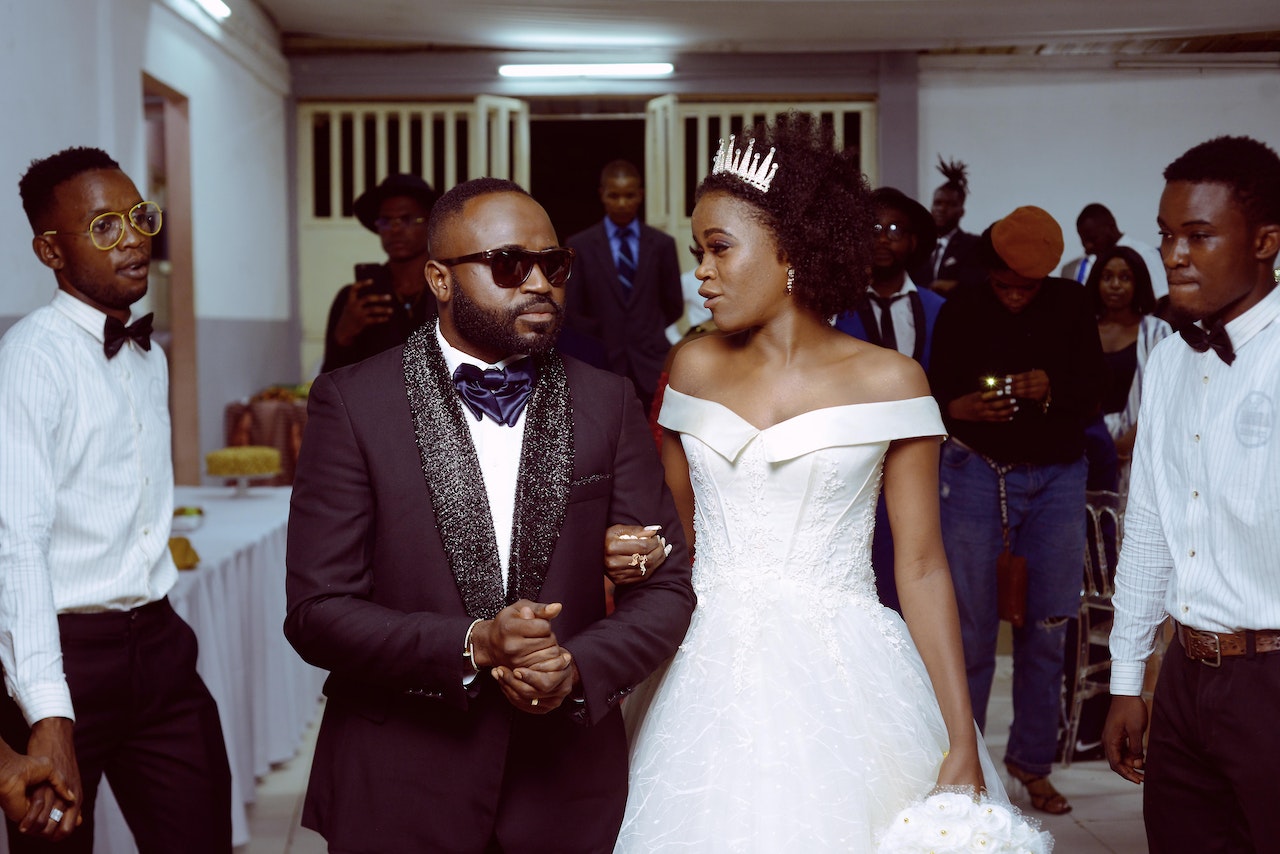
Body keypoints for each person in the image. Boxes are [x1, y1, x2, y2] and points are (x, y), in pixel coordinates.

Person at [615, 114, 1006, 852]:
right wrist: (631, 553)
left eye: (720, 248)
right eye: (698, 252)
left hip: (846, 667)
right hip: (700, 667)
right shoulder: (692, 368)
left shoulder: (892, 380)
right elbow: (670, 538)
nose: (701, 272)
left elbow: (922, 565)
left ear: (792, 248)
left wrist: (960, 736)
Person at [285, 176, 696, 852]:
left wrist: (578, 667)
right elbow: (317, 611)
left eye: (553, 264)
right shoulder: (353, 402)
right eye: (509, 264)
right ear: (440, 280)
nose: (539, 283)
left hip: (563, 783)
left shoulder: (608, 400)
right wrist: (472, 644)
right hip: (398, 779)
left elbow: (668, 587)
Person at [0, 146, 232, 851]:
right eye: (104, 226)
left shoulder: (147, 355)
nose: (132, 238)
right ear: (51, 251)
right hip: (63, 656)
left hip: (159, 648)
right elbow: (17, 543)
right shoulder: (31, 359)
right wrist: (48, 714)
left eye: (139, 217)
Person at [1103, 135, 1280, 853]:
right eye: (1166, 235)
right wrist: (1127, 679)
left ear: (1265, 241)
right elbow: (1148, 524)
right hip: (1184, 680)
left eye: (1199, 235)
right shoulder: (1170, 360)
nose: (1174, 255)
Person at [929, 205, 1105, 816]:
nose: (1013, 297)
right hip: (974, 471)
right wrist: (960, 409)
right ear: (991, 268)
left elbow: (1097, 392)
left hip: (1058, 477)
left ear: (1046, 276)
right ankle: (966, 767)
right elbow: (932, 389)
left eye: (1026, 288)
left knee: (1049, 626)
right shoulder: (962, 305)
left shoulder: (1071, 304)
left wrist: (1051, 388)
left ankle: (1032, 763)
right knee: (971, 631)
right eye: (1004, 284)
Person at [835, 186, 945, 612]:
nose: (883, 238)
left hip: (922, 459)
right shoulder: (834, 309)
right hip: (853, 458)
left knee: (920, 561)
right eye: (873, 228)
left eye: (895, 230)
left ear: (913, 242)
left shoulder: (938, 308)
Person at [565, 160, 684, 414]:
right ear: (602, 195)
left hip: (651, 361)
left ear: (640, 195)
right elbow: (573, 308)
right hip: (601, 360)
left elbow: (674, 304)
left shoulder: (662, 245)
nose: (621, 203)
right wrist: (603, 334)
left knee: (653, 431)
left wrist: (646, 329)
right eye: (614, 195)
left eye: (629, 196)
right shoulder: (580, 246)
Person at [320, 173, 439, 372]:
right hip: (373, 391)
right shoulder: (355, 299)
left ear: (430, 224)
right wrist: (344, 336)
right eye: (385, 221)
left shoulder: (448, 289)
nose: (395, 229)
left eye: (407, 219)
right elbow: (330, 377)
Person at [1084, 245, 1173, 467]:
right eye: (1107, 277)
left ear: (1138, 283)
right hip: (1086, 446)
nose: (1115, 285)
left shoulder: (1157, 331)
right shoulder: (1083, 329)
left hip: (1140, 445)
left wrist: (1125, 444)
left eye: (1125, 278)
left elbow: (1164, 397)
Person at [1062, 203, 1169, 305]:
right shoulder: (1089, 262)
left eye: (1093, 239)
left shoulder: (1144, 253)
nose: (1087, 246)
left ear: (1111, 227)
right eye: (1083, 240)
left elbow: (1164, 300)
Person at [911, 156, 983, 295]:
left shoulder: (973, 245)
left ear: (961, 211)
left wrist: (954, 286)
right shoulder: (918, 243)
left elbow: (977, 283)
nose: (942, 209)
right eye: (938, 203)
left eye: (950, 204)